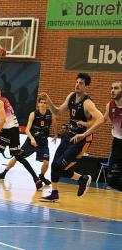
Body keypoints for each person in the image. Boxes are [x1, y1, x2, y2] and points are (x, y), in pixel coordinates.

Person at [39, 73, 104, 202]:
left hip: (81, 139)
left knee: (59, 167)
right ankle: (56, 192)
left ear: (87, 87)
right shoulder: (71, 96)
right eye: (77, 82)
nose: (77, 85)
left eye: (81, 83)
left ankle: (82, 179)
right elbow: (57, 112)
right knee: (54, 165)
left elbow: (101, 119)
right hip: (70, 136)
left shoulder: (88, 103)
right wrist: (48, 101)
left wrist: (84, 128)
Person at [0, 85, 42, 188]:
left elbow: (2, 120)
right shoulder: (5, 99)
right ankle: (36, 179)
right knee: (19, 156)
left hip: (8, 130)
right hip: (14, 130)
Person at [0, 97, 57, 187]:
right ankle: (4, 173)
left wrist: (55, 134)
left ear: (47, 105)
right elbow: (27, 130)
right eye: (41, 102)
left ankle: (42, 176)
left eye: (45, 103)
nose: (43, 104)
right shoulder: (33, 114)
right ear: (38, 104)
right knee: (17, 157)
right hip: (31, 141)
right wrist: (31, 138)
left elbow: (54, 123)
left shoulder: (50, 114)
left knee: (46, 162)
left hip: (43, 142)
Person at [85, 81, 121, 191]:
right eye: (111, 88)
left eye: (116, 88)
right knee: (112, 180)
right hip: (117, 143)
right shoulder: (110, 105)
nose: (112, 90)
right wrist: (85, 133)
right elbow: (101, 121)